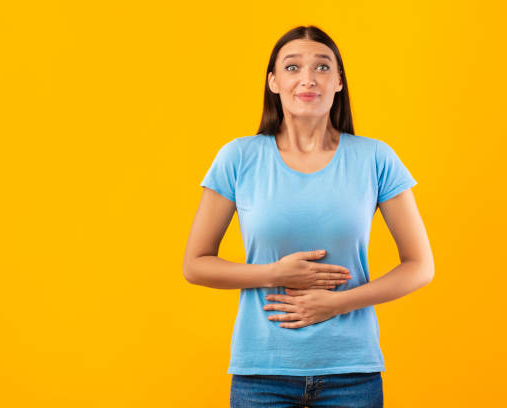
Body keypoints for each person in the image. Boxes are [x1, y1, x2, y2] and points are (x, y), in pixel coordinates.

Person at [183, 25, 434, 408]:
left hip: (351, 373)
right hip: (261, 375)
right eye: (292, 67)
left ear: (337, 82)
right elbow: (195, 264)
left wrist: (338, 303)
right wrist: (273, 274)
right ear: (273, 81)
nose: (307, 79)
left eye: (321, 67)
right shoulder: (238, 157)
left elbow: (420, 266)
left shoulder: (375, 158)